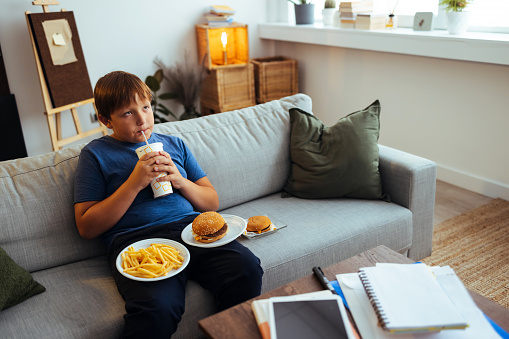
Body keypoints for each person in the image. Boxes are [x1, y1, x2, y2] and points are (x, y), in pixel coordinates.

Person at [73, 70, 263, 338]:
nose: (142, 119)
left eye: (146, 107)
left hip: (192, 231)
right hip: (137, 243)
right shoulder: (95, 154)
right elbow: (86, 227)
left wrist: (180, 181)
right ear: (106, 120)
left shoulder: (175, 145)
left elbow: (212, 202)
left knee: (246, 268)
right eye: (127, 113)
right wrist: (135, 183)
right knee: (157, 309)